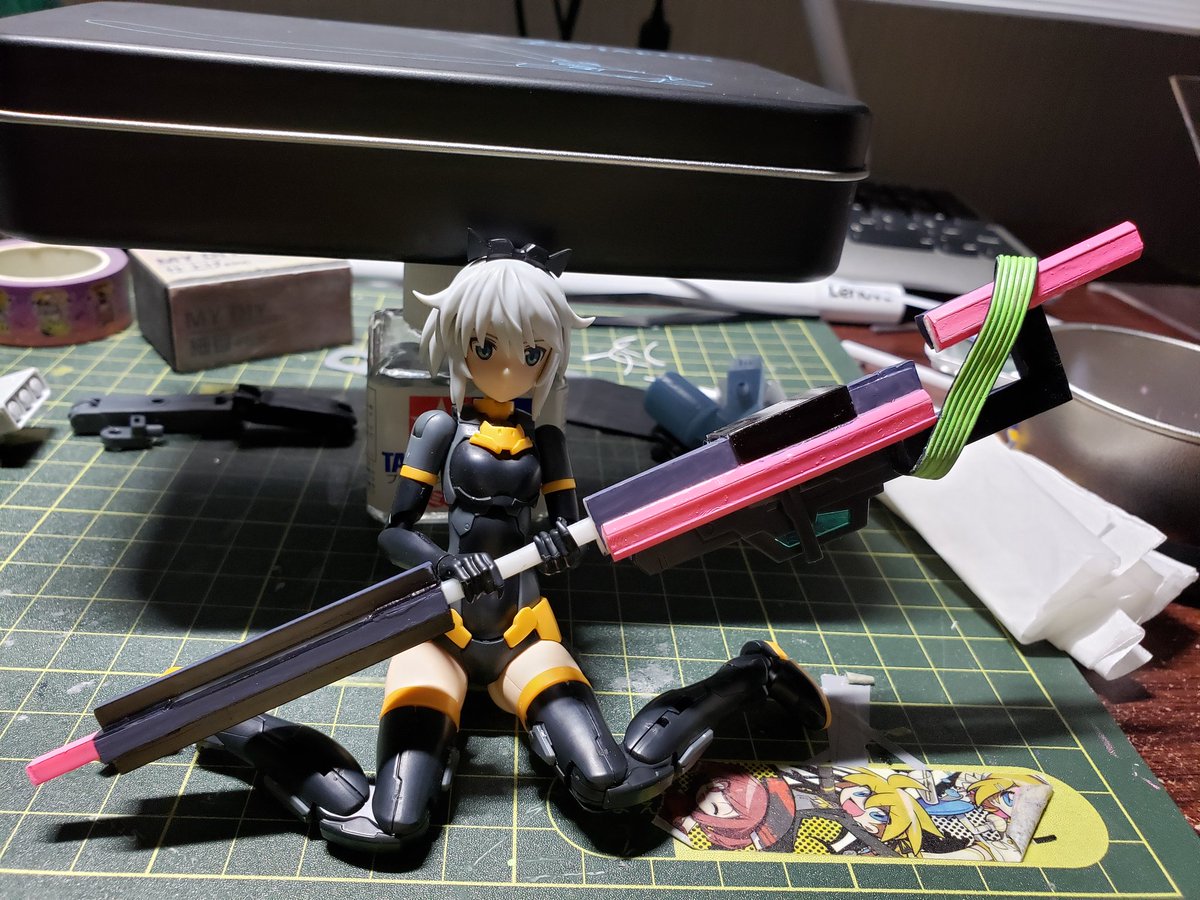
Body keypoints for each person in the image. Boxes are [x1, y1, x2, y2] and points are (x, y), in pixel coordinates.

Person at [199, 234, 829, 852]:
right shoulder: (437, 428)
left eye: (531, 352)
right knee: (391, 821)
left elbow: (574, 531)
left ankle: (753, 673)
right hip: (438, 635)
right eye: (485, 346)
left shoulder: (546, 440)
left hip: (523, 634)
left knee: (612, 783)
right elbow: (394, 532)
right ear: (459, 343)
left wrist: (561, 543)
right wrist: (445, 564)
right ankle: (239, 728)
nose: (508, 368)